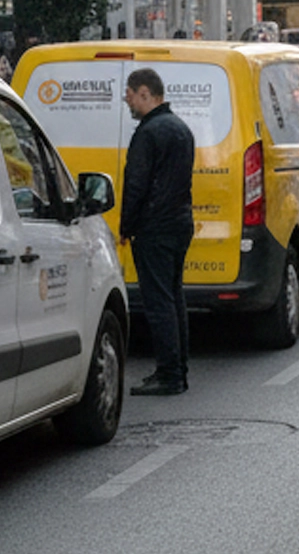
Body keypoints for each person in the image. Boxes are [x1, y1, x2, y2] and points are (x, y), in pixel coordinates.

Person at [122, 68, 197, 395]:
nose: (126, 100)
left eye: (129, 93)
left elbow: (136, 185)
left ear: (144, 93)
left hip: (155, 227)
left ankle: (168, 374)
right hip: (180, 222)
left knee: (158, 301)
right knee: (173, 296)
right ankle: (178, 369)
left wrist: (126, 226)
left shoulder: (148, 133)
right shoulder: (181, 129)